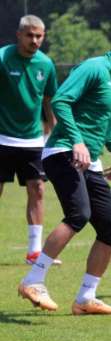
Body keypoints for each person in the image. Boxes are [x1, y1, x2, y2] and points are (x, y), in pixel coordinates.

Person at [17, 27, 111, 314]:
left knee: (110, 227)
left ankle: (85, 298)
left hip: (89, 160)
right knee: (78, 214)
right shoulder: (94, 67)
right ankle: (33, 280)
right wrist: (77, 140)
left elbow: (105, 123)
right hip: (62, 151)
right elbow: (60, 101)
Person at [0, 15, 61, 266]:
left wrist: (57, 136)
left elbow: (50, 101)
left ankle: (34, 252)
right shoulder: (2, 58)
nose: (35, 40)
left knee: (37, 190)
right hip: (2, 139)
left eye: (39, 36)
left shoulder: (46, 64)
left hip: (33, 141)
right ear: (19, 35)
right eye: (30, 35)